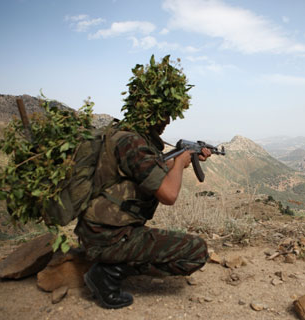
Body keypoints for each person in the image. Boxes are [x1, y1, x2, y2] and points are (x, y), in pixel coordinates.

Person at [74, 55, 211, 309]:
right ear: (151, 110)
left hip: (98, 230)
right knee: (197, 252)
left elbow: (155, 173)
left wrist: (185, 161)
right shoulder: (134, 144)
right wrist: (181, 163)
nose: (167, 121)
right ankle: (107, 274)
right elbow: (169, 195)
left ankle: (109, 266)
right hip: (110, 236)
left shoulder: (123, 135)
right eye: (165, 115)